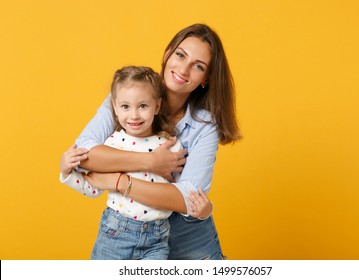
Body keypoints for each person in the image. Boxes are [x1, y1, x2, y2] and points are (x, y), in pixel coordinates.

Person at [72, 23, 242, 260]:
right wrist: (150, 162)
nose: (184, 69)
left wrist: (119, 181)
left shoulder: (205, 126)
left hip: (189, 240)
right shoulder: (128, 94)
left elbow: (187, 199)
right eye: (180, 55)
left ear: (206, 79)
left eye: (198, 66)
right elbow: (83, 155)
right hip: (127, 235)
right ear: (167, 52)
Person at [60, 66, 211, 259]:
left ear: (157, 106)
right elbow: (92, 187)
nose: (134, 115)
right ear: (114, 107)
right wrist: (66, 172)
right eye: (125, 107)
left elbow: (181, 191)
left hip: (158, 239)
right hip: (116, 233)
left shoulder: (170, 145)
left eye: (142, 106)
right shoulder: (111, 146)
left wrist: (204, 209)